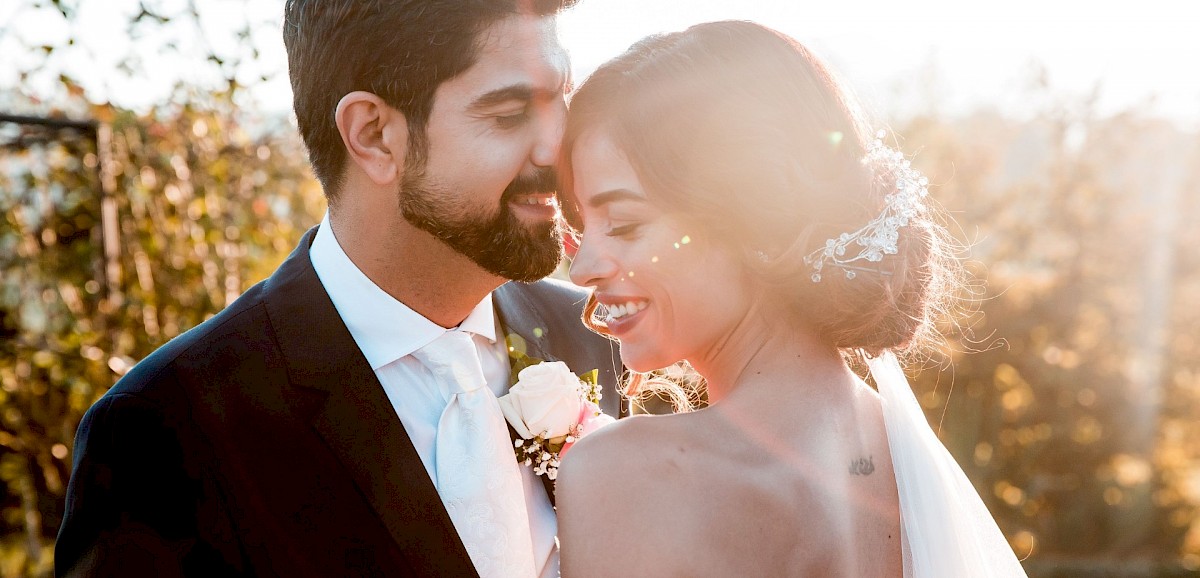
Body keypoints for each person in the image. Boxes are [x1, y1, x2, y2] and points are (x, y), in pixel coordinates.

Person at [54, 1, 622, 576]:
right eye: (509, 113)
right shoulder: (166, 431)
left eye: (563, 99)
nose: (559, 149)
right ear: (374, 135)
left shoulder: (607, 338)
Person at [556, 21, 1028, 577]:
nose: (584, 268)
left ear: (753, 220)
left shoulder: (625, 472)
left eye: (627, 224)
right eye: (580, 227)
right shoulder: (909, 464)